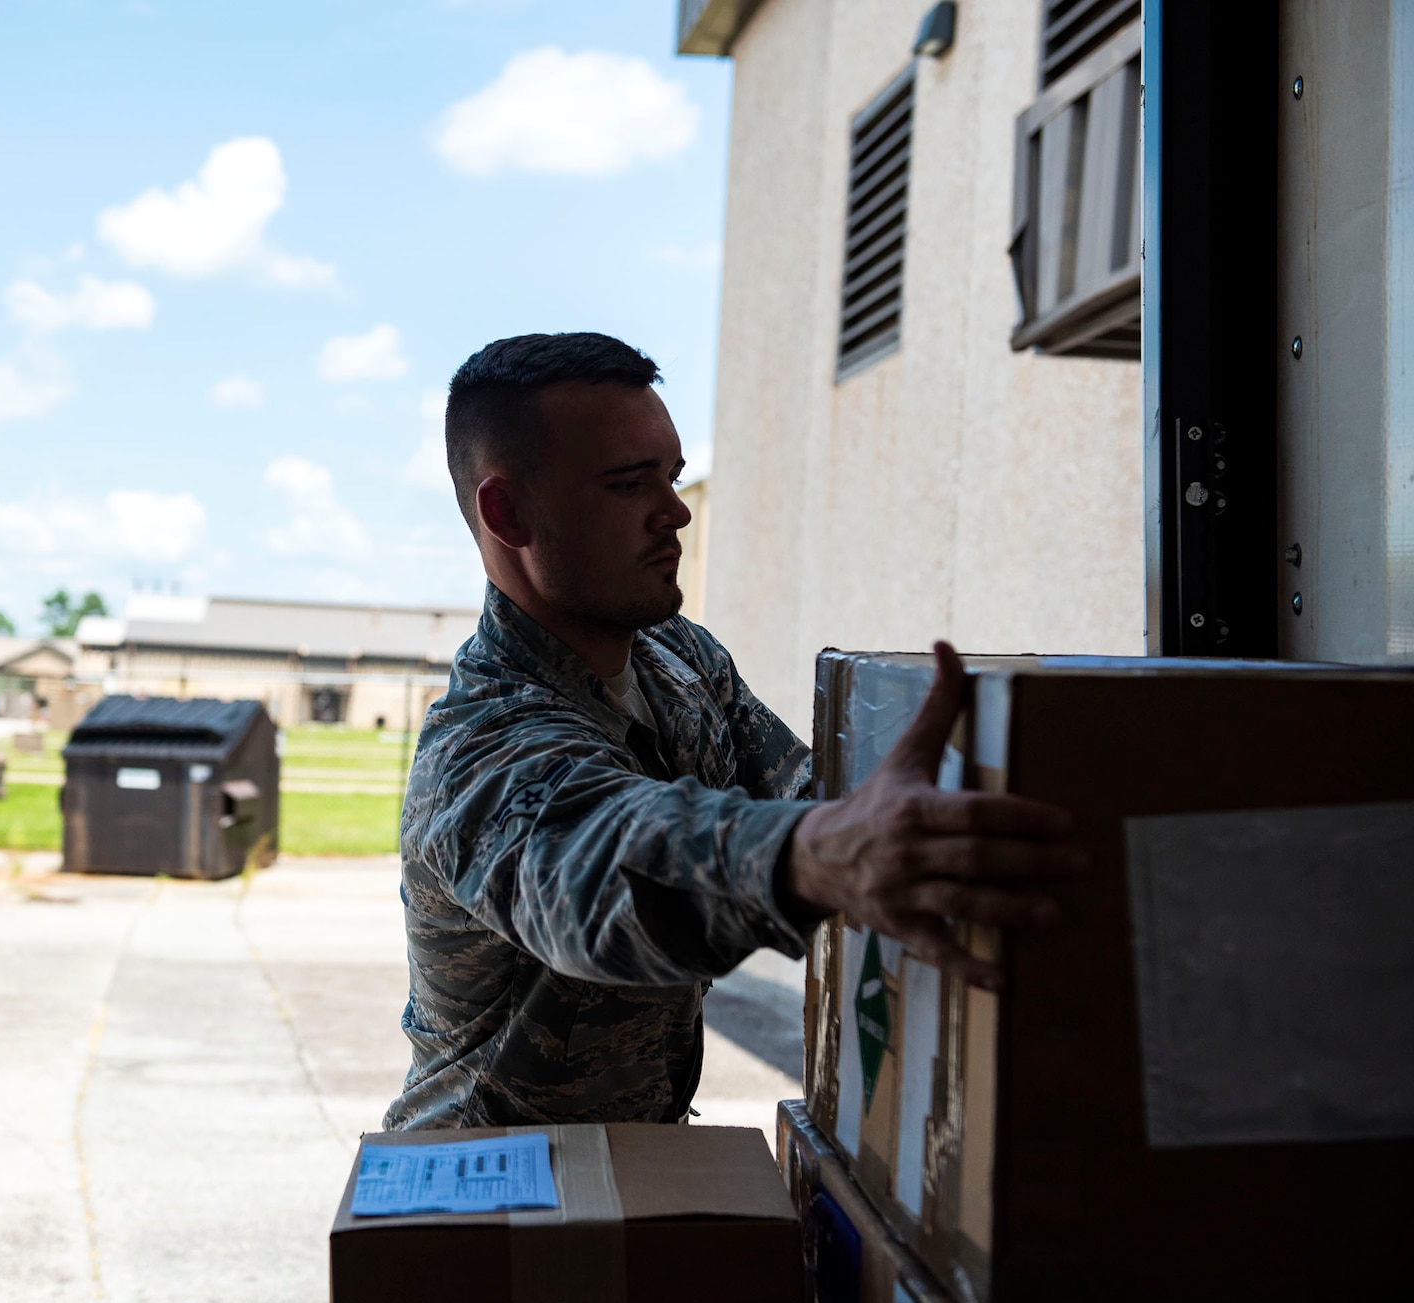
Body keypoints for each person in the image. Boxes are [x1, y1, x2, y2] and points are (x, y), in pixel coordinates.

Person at [385, 333, 1086, 1130]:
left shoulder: (678, 655)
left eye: (672, 477)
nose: (676, 512)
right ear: (507, 512)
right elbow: (603, 876)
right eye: (628, 484)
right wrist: (819, 854)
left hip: (637, 1161)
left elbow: (806, 791)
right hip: (484, 1203)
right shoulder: (478, 747)